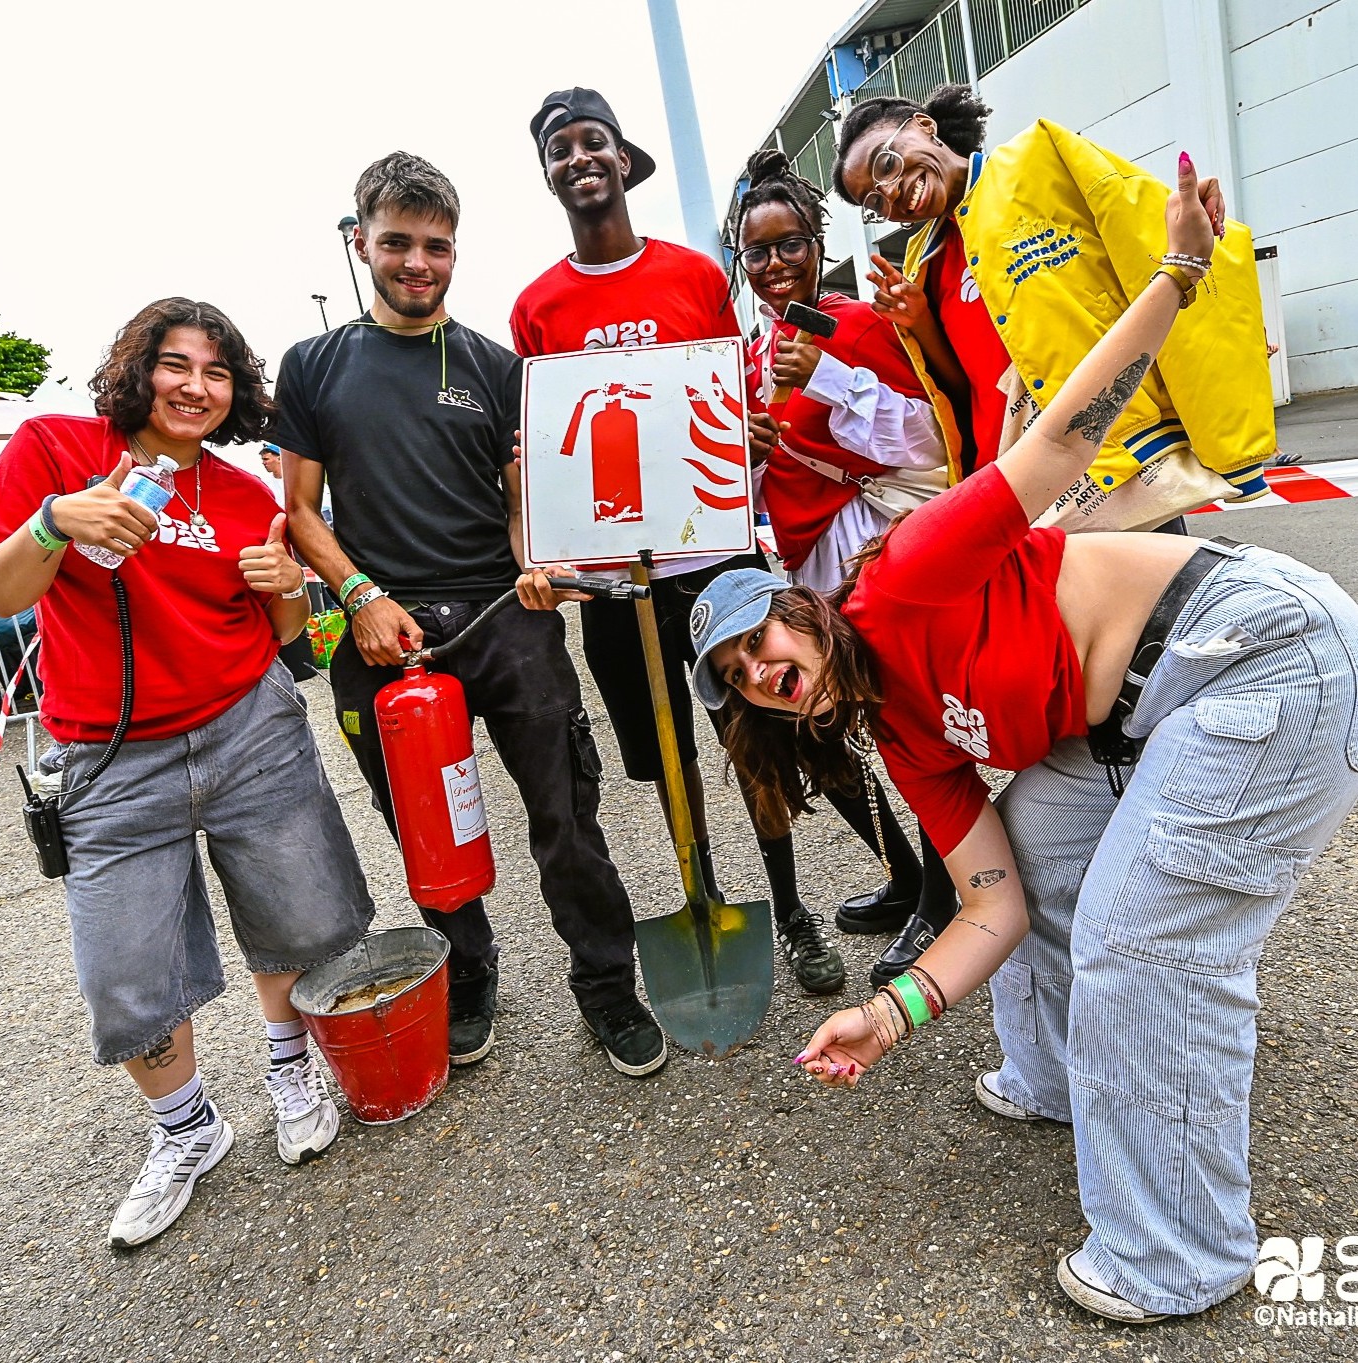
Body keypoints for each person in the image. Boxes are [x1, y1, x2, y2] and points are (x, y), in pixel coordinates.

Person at [687, 159, 1358, 1322]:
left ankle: (1175, 1252)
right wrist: (887, 1012)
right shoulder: (901, 738)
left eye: (761, 635)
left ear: (800, 606)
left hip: (1257, 654)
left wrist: (1178, 275)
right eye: (741, 681)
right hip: (1135, 717)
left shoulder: (901, 580)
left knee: (1141, 948)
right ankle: (1053, 1078)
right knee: (1043, 863)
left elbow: (1054, 443)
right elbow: (988, 904)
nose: (762, 669)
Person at [274, 151, 666, 1077]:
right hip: (384, 634)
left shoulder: (494, 365)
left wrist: (536, 566)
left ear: (456, 251)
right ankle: (470, 971)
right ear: (360, 239)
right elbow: (298, 512)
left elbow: (521, 495)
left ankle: (607, 985)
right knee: (427, 829)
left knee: (567, 817)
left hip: (503, 617)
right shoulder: (315, 365)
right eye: (398, 242)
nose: (419, 263)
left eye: (437, 246)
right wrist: (359, 596)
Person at [0, 298, 376, 1249]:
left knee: (295, 914)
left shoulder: (246, 495)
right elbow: (3, 591)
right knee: (124, 972)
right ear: (137, 368)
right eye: (176, 365)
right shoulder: (52, 447)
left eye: (215, 372)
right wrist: (53, 522)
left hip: (250, 729)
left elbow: (285, 640)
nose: (194, 387)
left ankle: (290, 1062)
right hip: (108, 753)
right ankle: (186, 1129)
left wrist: (291, 594)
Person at [511, 88, 843, 996]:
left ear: (622, 160)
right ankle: (703, 894)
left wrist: (749, 438)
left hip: (711, 557)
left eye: (593, 142)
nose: (578, 158)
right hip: (620, 578)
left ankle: (793, 908)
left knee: (752, 731)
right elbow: (545, 447)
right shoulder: (536, 307)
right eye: (558, 149)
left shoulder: (694, 276)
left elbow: (726, 398)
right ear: (547, 174)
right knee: (667, 758)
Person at [831, 85, 1275, 530]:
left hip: (1108, 460)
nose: (892, 194)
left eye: (885, 164)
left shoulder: (1041, 157)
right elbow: (963, 389)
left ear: (925, 127)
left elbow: (1146, 243)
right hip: (1007, 482)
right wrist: (921, 322)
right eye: (874, 200)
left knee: (1156, 594)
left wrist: (1187, 214)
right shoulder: (922, 259)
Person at [729, 148, 958, 981]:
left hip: (873, 550)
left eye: (789, 243)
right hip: (809, 569)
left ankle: (944, 891)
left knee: (913, 724)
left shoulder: (853, 325)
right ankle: (905, 874)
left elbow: (928, 441)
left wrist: (830, 378)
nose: (775, 263)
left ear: (817, 245)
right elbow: (768, 476)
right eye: (757, 251)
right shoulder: (754, 352)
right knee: (827, 726)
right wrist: (745, 450)